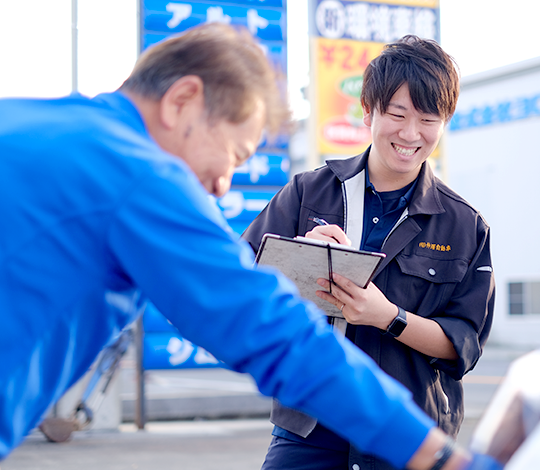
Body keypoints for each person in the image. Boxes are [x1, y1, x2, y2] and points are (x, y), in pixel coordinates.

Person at [0, 24, 499, 470]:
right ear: (182, 102)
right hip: (313, 433)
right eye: (234, 153)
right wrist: (439, 457)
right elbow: (272, 330)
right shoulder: (139, 178)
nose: (221, 185)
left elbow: (464, 340)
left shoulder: (28, 122)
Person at [243, 35, 496, 470]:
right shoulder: (308, 193)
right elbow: (241, 279)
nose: (410, 133)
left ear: (445, 121)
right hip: (309, 425)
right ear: (368, 111)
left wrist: (388, 317)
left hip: (409, 435)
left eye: (427, 118)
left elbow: (463, 346)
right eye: (397, 114)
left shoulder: (466, 225)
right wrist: (299, 258)